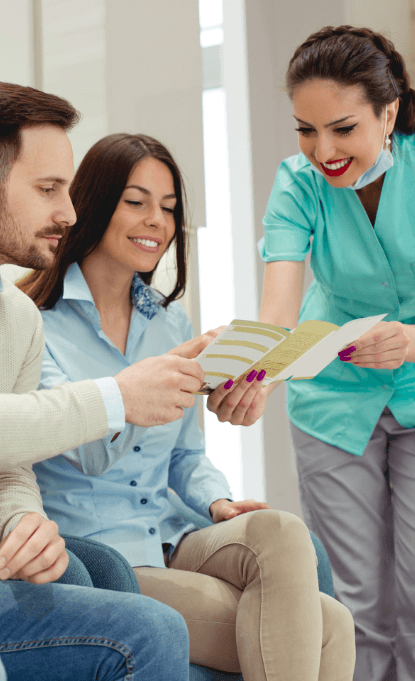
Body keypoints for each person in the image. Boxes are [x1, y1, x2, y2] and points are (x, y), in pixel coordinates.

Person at [20, 131, 356, 681]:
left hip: (175, 534)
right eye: (136, 201)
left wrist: (217, 501)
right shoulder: (36, 323)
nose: (156, 219)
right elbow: (85, 452)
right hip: (105, 556)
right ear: (95, 203)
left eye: (169, 207)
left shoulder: (169, 321)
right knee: (330, 627)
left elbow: (185, 456)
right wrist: (152, 380)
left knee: (282, 532)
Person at [209, 24, 415, 681]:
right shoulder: (296, 185)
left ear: (388, 113)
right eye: (305, 129)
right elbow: (277, 310)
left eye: (342, 128)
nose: (321, 150)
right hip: (330, 398)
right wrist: (258, 378)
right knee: (357, 601)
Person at [0, 80, 213, 681]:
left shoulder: (13, 317)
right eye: (47, 190)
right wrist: (120, 397)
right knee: (148, 626)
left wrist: (20, 522)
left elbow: (10, 465)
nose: (67, 213)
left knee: (101, 572)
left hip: (132, 537)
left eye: (169, 206)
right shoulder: (41, 314)